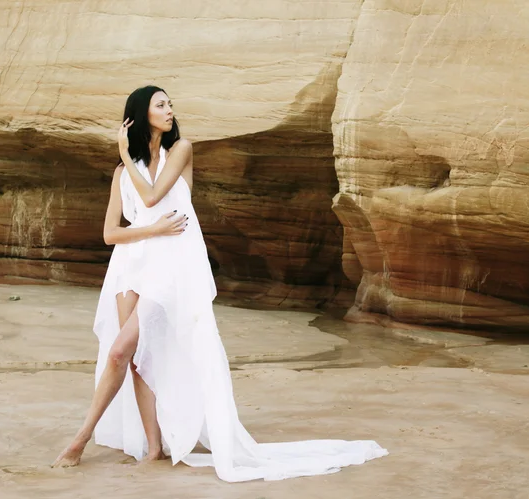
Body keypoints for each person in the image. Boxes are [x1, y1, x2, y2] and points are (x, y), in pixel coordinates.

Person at [51, 85, 388, 482]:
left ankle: (79, 439)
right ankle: (154, 447)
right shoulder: (120, 175)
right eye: (161, 105)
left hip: (171, 265)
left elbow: (154, 196)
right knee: (137, 360)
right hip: (131, 263)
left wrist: (125, 155)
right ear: (141, 114)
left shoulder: (182, 150)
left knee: (118, 352)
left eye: (171, 103)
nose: (169, 109)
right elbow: (111, 234)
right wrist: (147, 217)